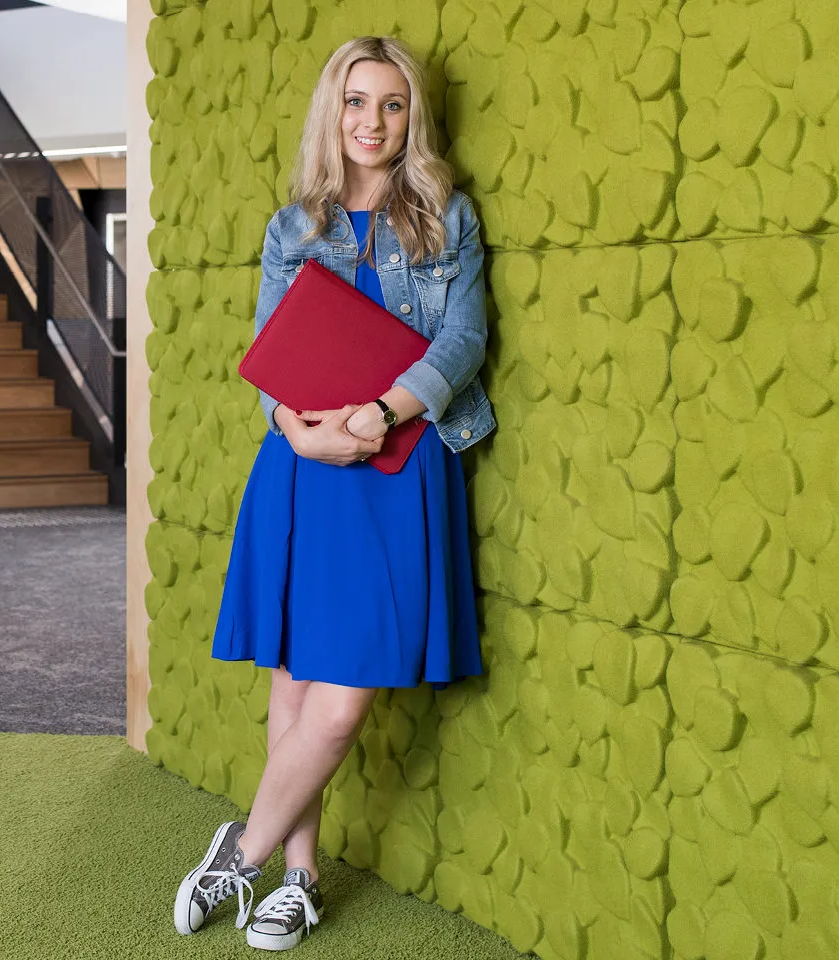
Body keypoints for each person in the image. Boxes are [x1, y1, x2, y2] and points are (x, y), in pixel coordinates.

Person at [170, 36, 497, 952]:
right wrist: (301, 428)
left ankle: (239, 853)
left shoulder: (446, 218)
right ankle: (300, 880)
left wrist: (380, 415)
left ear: (411, 118)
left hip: (397, 470)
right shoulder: (292, 227)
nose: (372, 122)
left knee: (344, 699)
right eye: (357, 102)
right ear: (333, 110)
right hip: (302, 471)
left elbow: (463, 339)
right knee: (298, 677)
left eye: (392, 105)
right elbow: (273, 357)